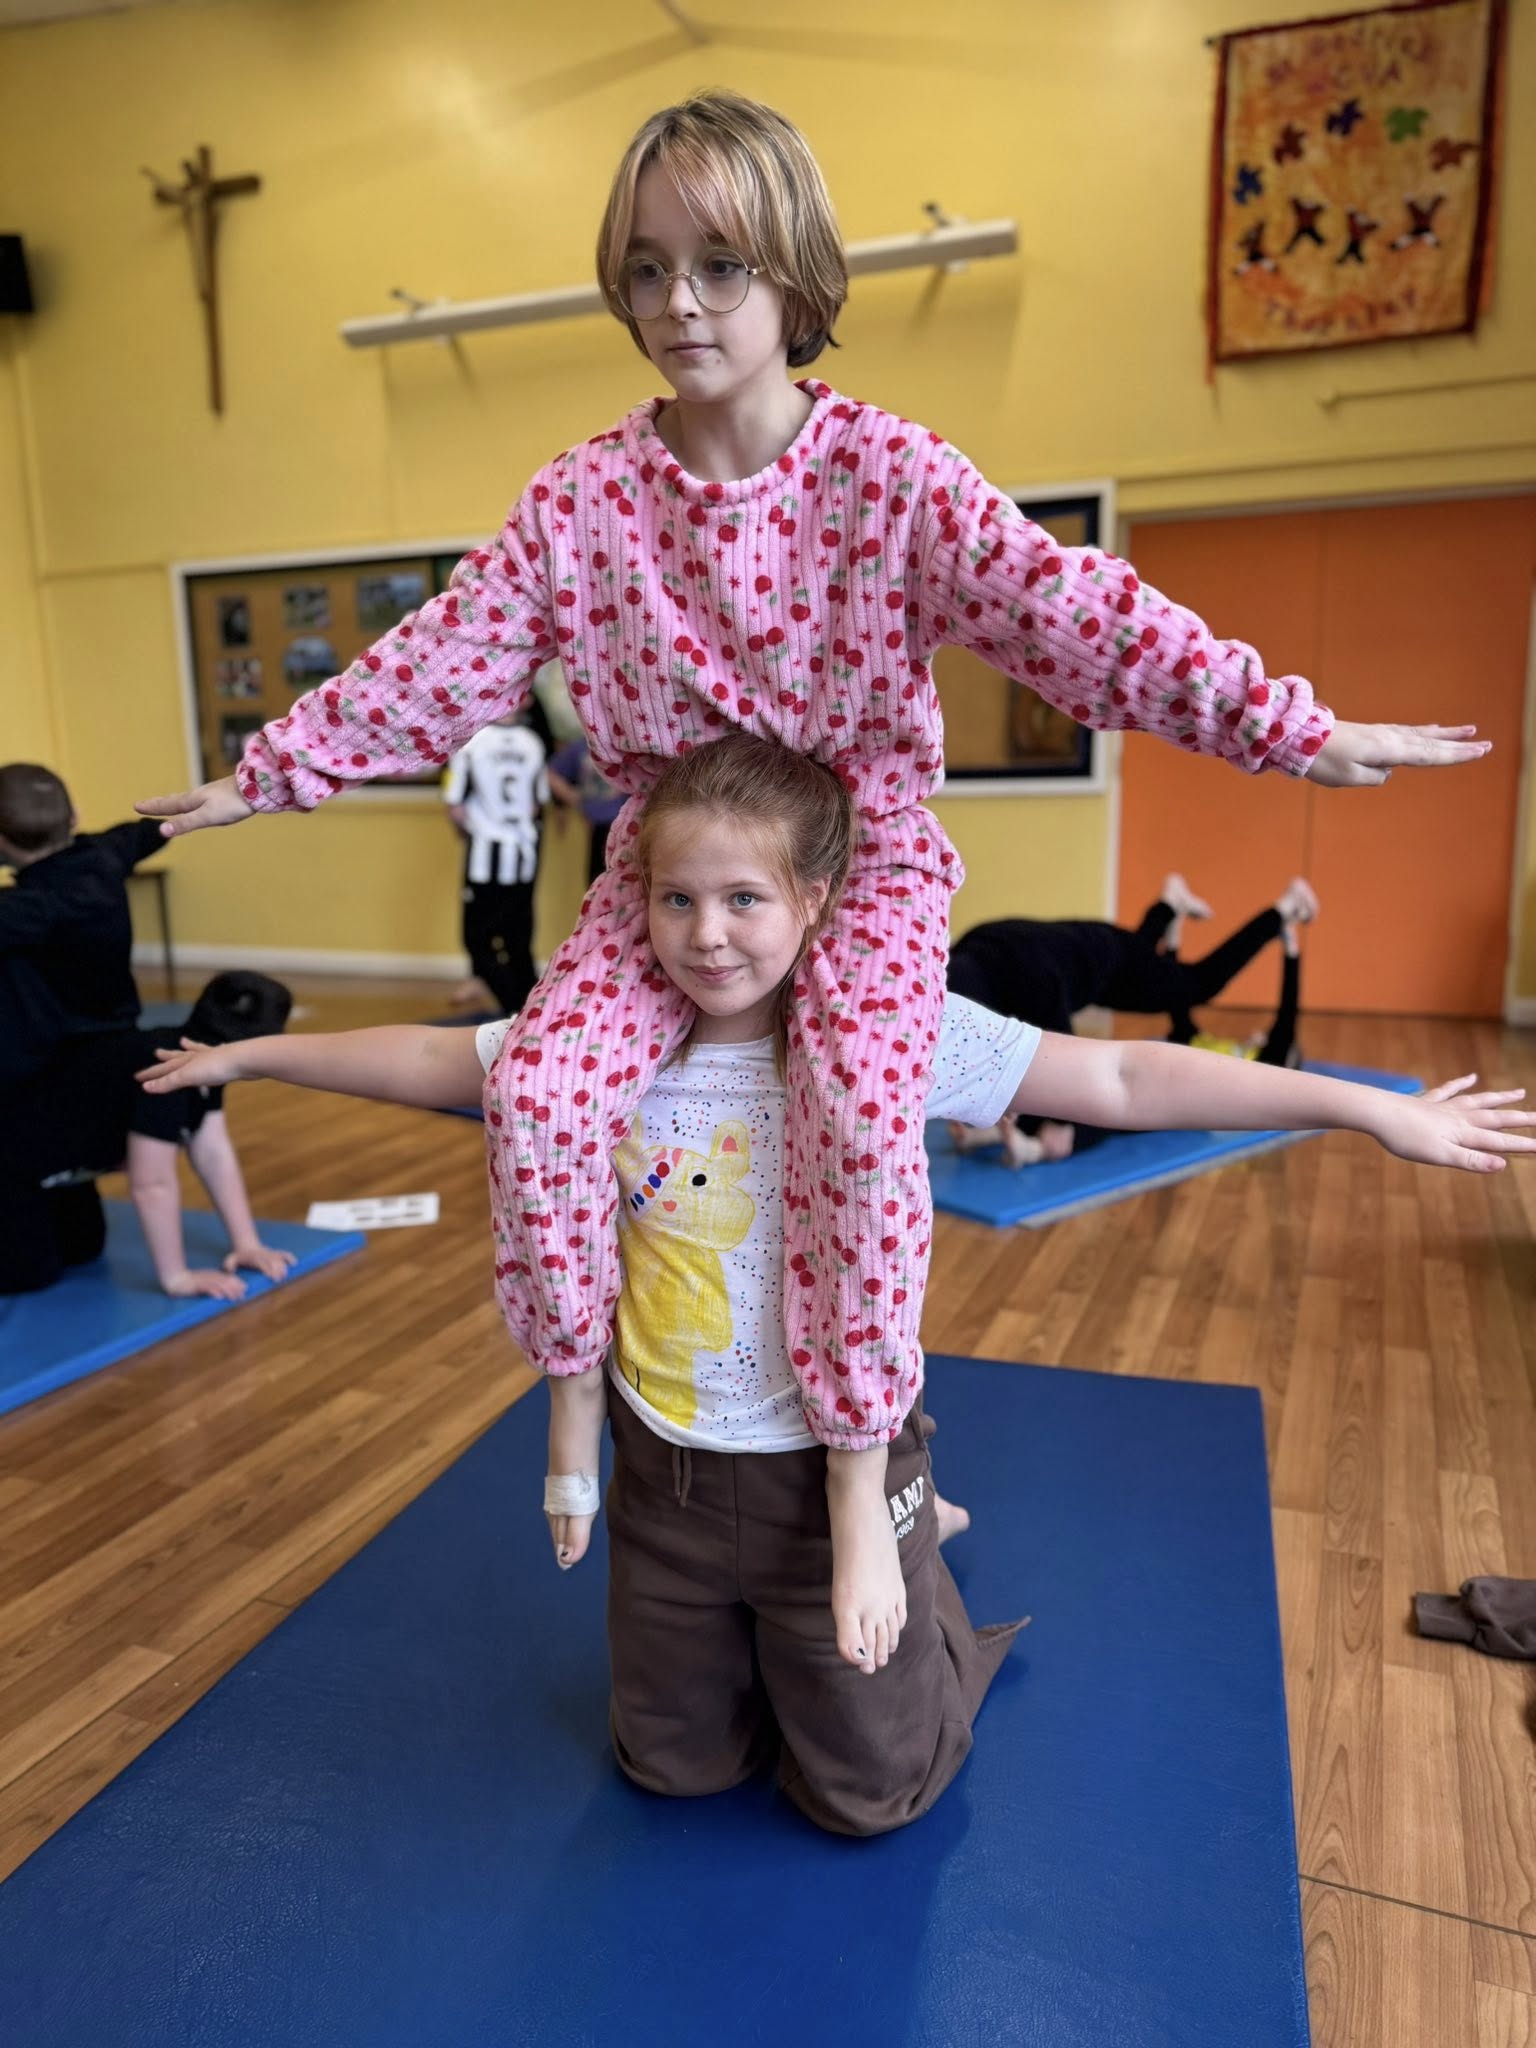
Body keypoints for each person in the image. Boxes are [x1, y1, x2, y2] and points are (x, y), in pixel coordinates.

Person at [136, 90, 1492, 1468]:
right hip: (672, 866)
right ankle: (574, 1383)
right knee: (541, 1092)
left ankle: (858, 1462)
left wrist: (1289, 727)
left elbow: (1072, 611)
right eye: (649, 269)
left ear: (796, 278)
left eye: (721, 264)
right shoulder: (583, 501)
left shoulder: (890, 476)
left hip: (856, 864)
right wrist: (275, 772)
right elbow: (449, 650)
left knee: (855, 1099)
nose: (682, 302)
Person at [143, 735, 1533, 1835]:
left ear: (814, 901)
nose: (709, 934)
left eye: (745, 898)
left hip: (828, 1468)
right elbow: (432, 1060)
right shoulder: (593, 1042)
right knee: (670, 1771)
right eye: (678, 898)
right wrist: (250, 1057)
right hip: (667, 1464)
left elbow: (1116, 1073)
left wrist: (1364, 1107)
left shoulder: (887, 1038)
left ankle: (926, 1573)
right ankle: (785, 1625)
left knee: (868, 1796)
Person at [947, 875, 1317, 1164]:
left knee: (1202, 983)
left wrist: (1058, 1126)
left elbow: (1066, 1073)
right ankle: (1169, 903)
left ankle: (1281, 909)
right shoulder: (961, 957)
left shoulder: (1031, 987)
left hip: (1102, 960)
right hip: (1090, 949)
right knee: (1142, 960)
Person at [0, 763, 166, 1293]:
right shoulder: (103, 860)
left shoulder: (23, 911)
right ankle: (73, 1235)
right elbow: (146, 831)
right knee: (76, 1233)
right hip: (116, 1078)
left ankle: (28, 1258)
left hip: (44, 1091)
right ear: (73, 816)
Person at [127, 971, 298, 1299]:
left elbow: (212, 1151)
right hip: (34, 1158)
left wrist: (247, 1243)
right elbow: (151, 1184)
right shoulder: (167, 1069)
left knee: (81, 1247)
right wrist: (176, 1277)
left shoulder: (204, 1059)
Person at [442, 710, 549, 1015]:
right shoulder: (532, 742)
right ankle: (533, 1010)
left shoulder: (471, 742)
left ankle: (513, 1007)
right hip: (523, 855)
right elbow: (537, 802)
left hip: (485, 855)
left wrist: (471, 830)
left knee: (477, 938)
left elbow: (454, 804)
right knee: (518, 939)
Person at [547, 735, 625, 887]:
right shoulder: (581, 747)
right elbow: (551, 774)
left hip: (619, 825)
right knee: (594, 880)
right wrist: (573, 797)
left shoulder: (626, 746)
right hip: (589, 824)